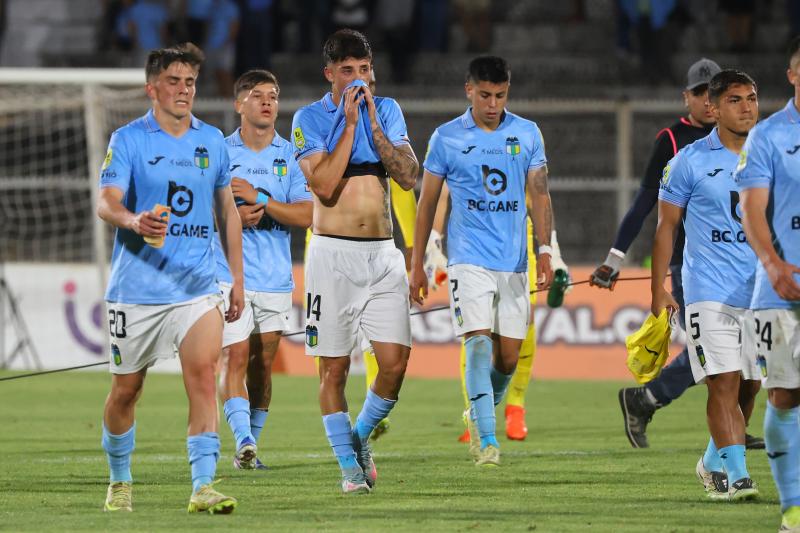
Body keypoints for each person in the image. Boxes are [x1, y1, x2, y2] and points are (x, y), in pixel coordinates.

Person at [96, 43, 244, 514]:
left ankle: (203, 486)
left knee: (204, 376)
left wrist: (235, 278)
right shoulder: (128, 139)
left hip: (197, 287)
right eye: (174, 82)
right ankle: (120, 480)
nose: (184, 90)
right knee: (126, 391)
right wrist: (135, 221)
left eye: (191, 83)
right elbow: (106, 202)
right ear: (152, 88)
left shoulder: (213, 140)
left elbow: (227, 211)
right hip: (136, 289)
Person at [592, 58, 761, 450]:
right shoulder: (673, 142)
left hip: (747, 267)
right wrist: (615, 258)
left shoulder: (756, 146)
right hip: (692, 265)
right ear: (688, 98)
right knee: (716, 353)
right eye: (698, 93)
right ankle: (709, 438)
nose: (705, 101)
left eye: (710, 92)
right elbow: (645, 204)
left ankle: (652, 400)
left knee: (740, 366)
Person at [410, 55, 555, 467]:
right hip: (467, 259)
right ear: (469, 89)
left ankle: (478, 412)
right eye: (486, 95)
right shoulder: (446, 138)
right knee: (476, 342)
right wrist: (418, 260)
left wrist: (545, 250)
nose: (493, 104)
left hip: (513, 263)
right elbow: (428, 202)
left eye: (501, 95)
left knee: (508, 356)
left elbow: (540, 194)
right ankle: (488, 440)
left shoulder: (527, 133)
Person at [291, 29, 419, 494]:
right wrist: (348, 124)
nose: (358, 79)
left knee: (395, 363)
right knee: (334, 370)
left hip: (383, 254)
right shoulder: (308, 119)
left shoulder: (387, 111)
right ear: (330, 74)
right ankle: (349, 470)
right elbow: (323, 187)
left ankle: (360, 436)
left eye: (364, 70)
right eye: (348, 71)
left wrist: (373, 125)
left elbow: (408, 176)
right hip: (332, 256)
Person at [651, 69, 760, 501]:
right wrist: (659, 287)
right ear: (713, 108)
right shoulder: (688, 161)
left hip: (759, 291)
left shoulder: (772, 155)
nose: (747, 106)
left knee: (751, 386)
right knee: (724, 381)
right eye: (735, 100)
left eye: (751, 98)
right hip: (707, 290)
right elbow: (665, 227)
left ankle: (713, 460)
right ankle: (737, 476)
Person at [215, 69, 312, 471]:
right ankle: (243, 441)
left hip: (275, 277)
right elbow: (204, 210)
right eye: (257, 95)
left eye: (273, 94)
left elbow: (307, 214)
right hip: (228, 275)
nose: (268, 101)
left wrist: (261, 201)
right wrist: (233, 216)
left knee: (262, 367)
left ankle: (249, 449)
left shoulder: (290, 155)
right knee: (234, 357)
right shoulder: (219, 153)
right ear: (239, 104)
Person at [423, 183, 569, 443]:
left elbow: (538, 192)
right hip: (470, 238)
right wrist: (434, 243)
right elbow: (441, 191)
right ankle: (474, 412)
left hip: (517, 239)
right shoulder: (455, 140)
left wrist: (551, 249)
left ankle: (516, 405)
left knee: (525, 321)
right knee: (475, 327)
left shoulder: (527, 139)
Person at [737, 37, 800, 531]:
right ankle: (793, 508)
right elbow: (751, 208)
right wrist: (772, 262)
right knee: (784, 395)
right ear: (793, 74)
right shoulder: (768, 136)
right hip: (779, 290)